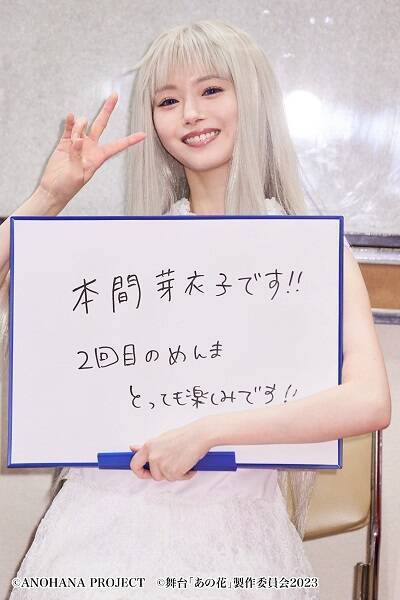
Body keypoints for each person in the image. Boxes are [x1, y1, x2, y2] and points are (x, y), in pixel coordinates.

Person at [0, 19, 391, 600]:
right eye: (167, 100)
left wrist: (208, 432)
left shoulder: (307, 247)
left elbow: (369, 401)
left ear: (251, 98)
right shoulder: (122, 253)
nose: (190, 113)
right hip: (99, 530)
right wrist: (49, 197)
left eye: (211, 90)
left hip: (237, 540)